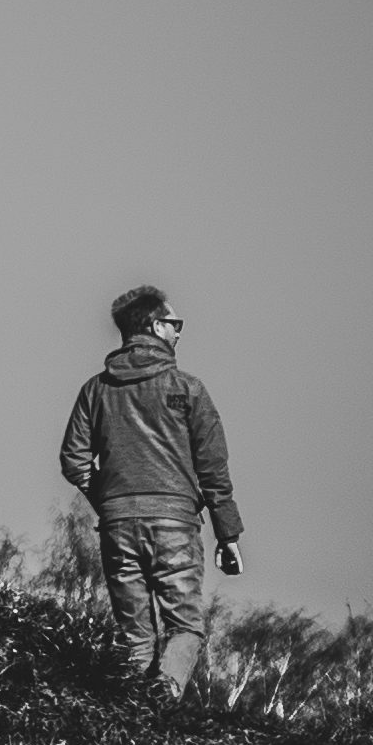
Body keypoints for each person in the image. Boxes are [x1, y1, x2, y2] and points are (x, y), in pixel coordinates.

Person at [60, 285, 243, 706]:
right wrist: (227, 535)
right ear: (156, 327)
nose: (179, 332)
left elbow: (74, 460)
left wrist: (109, 501)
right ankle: (161, 701)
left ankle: (128, 719)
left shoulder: (95, 391)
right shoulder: (188, 389)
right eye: (175, 324)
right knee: (185, 628)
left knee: (135, 638)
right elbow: (213, 469)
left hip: (117, 527)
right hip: (175, 523)